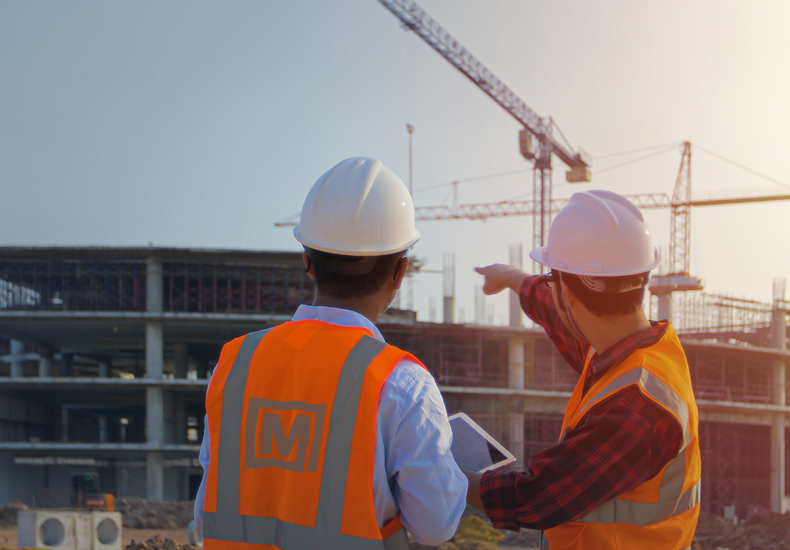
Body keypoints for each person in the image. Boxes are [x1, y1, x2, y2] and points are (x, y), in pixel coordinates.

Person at [194, 157, 467, 549]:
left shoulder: (235, 363)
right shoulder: (401, 383)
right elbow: (436, 526)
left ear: (307, 261)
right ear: (399, 273)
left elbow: (207, 512)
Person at [467, 190, 700, 549]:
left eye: (553, 279)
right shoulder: (640, 352)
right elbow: (558, 311)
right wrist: (512, 277)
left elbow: (536, 498)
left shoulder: (636, 409)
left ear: (570, 294)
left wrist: (444, 477)